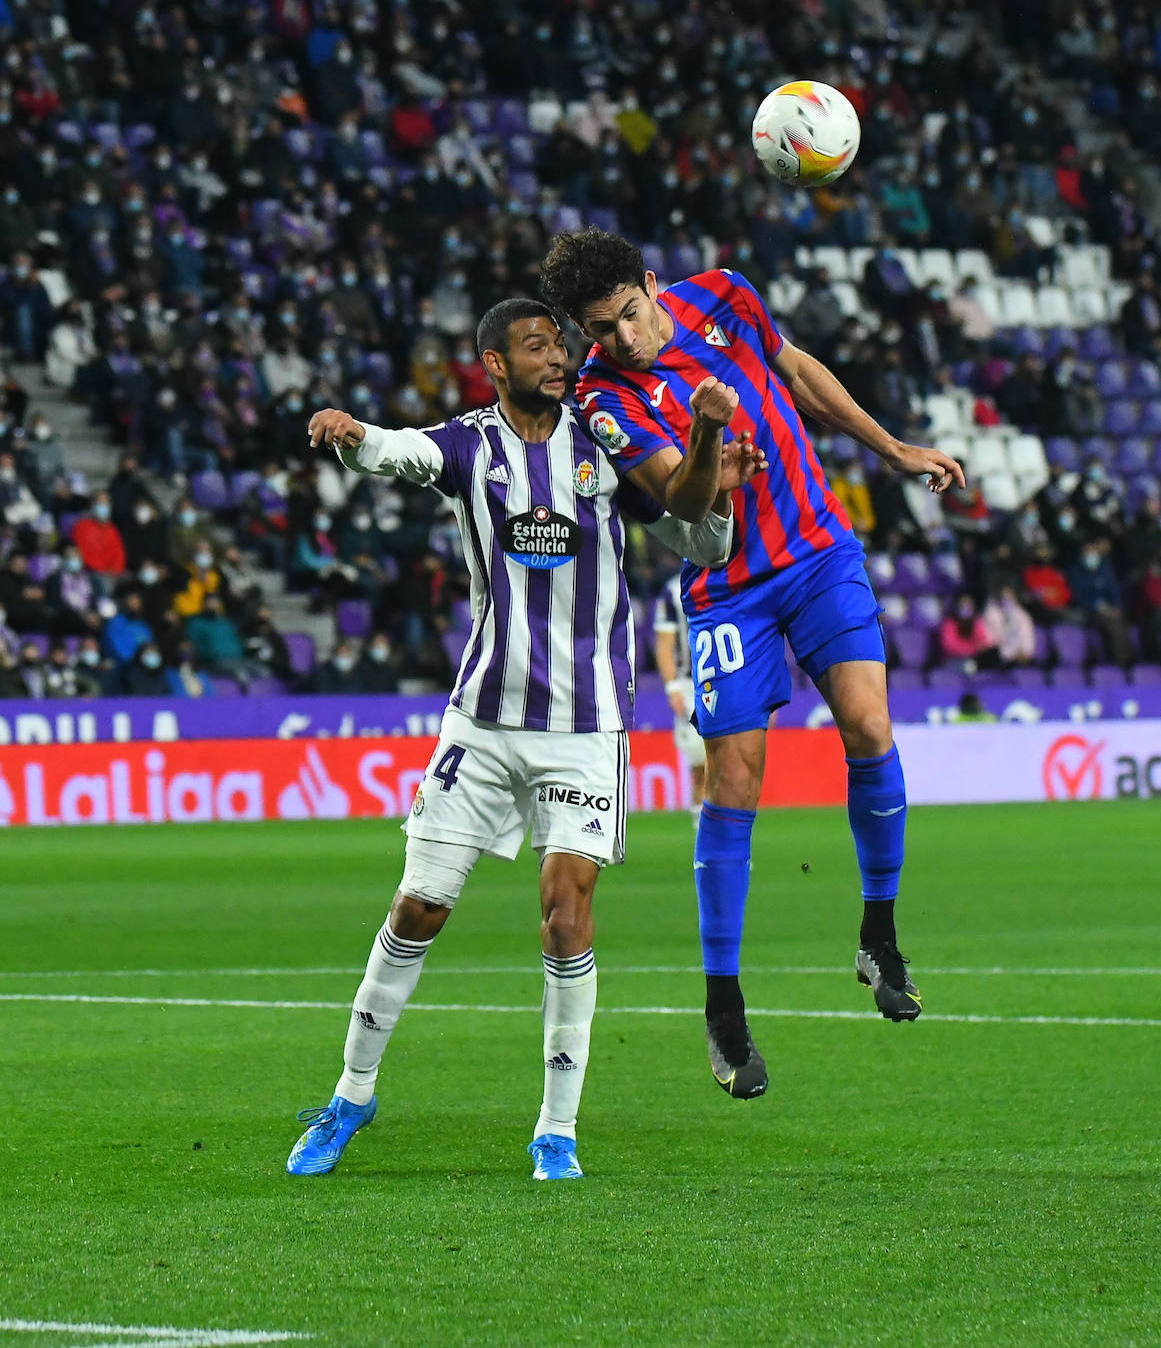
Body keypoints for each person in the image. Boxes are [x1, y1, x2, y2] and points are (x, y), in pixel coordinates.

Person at [288, 298, 762, 1182]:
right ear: (496, 364)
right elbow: (404, 450)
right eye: (535, 346)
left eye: (560, 343)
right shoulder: (470, 444)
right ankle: (351, 1095)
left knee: (564, 918)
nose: (558, 356)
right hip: (484, 722)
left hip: (584, 729)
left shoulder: (607, 441)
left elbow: (695, 534)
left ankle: (557, 1129)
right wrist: (355, 435)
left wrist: (716, 472)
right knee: (418, 906)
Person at [540, 228, 963, 1101]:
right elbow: (679, 499)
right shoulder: (599, 397)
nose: (619, 340)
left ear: (651, 284)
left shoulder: (726, 294)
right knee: (734, 777)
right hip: (726, 590)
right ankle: (723, 1006)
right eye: (598, 329)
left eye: (626, 315)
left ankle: (877, 933)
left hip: (817, 553)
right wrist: (707, 445)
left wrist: (894, 451)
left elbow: (798, 371)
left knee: (869, 725)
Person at [652, 572, 705, 831]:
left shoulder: (730, 577)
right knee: (700, 767)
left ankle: (729, 846)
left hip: (727, 683)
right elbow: (665, 642)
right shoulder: (674, 590)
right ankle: (703, 840)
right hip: (689, 687)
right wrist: (672, 687)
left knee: (728, 766)